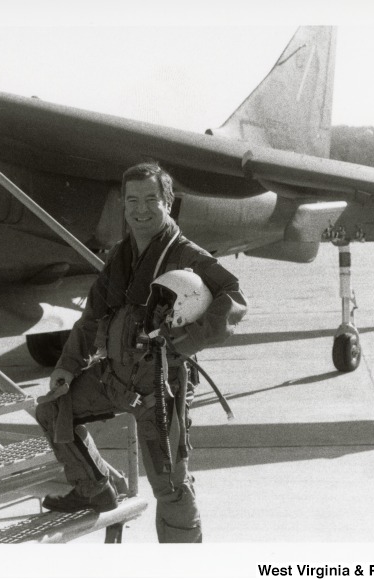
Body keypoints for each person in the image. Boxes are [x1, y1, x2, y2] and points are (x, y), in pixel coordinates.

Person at [35, 162, 247, 543]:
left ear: (168, 202)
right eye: (132, 200)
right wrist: (67, 366)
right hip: (114, 376)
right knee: (53, 408)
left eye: (151, 199)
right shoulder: (121, 256)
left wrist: (188, 341)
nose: (141, 209)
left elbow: (233, 296)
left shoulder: (187, 255)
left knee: (170, 486)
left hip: (158, 388)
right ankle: (95, 489)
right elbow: (92, 315)